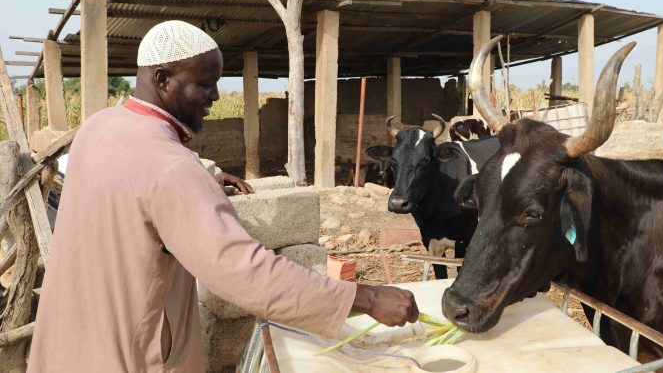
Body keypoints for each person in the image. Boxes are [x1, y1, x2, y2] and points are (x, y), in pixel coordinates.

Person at [28, 20, 419, 372]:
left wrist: (200, 181)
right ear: (163, 79)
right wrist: (366, 297)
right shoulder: (171, 169)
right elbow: (245, 272)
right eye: (205, 83)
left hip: (68, 343)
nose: (215, 95)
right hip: (130, 357)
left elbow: (129, 191)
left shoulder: (99, 127)